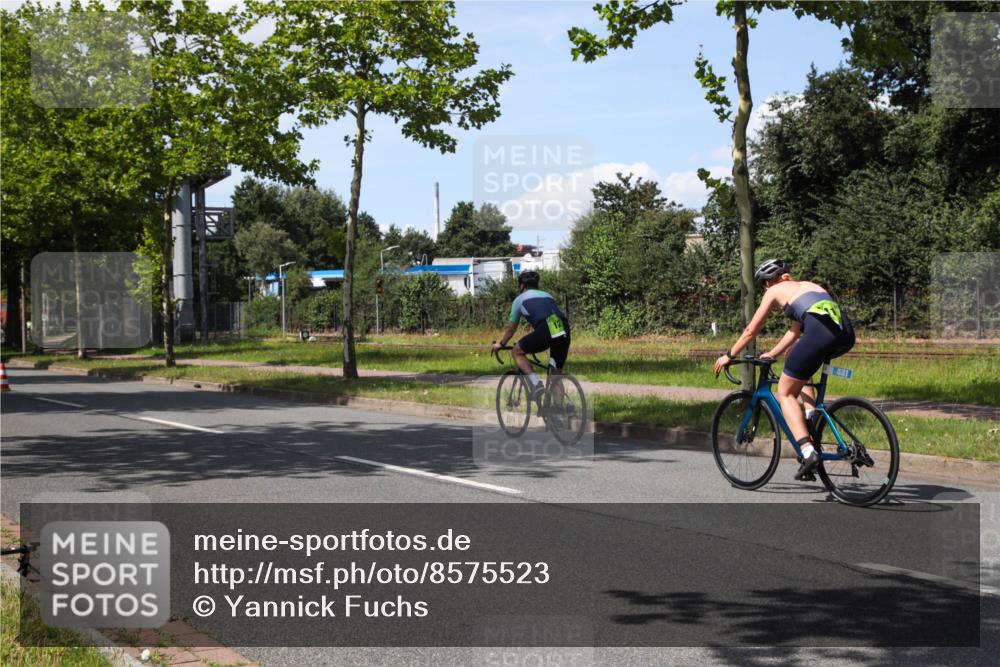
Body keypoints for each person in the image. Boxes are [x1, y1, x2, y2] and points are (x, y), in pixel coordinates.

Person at [713, 259, 855, 480]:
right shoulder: (809, 287)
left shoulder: (774, 290)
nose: (765, 290)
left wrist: (729, 355)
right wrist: (772, 354)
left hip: (819, 332)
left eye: (764, 285)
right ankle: (811, 416)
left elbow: (751, 330)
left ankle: (808, 453)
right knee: (797, 363)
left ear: (770, 281)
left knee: (785, 391)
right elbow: (795, 332)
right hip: (844, 332)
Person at [491, 270, 571, 404]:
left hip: (546, 328)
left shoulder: (519, 300)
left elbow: (511, 329)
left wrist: (501, 344)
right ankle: (558, 413)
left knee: (517, 351)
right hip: (564, 329)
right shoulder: (548, 295)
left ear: (522, 286)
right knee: (555, 374)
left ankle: (536, 384)